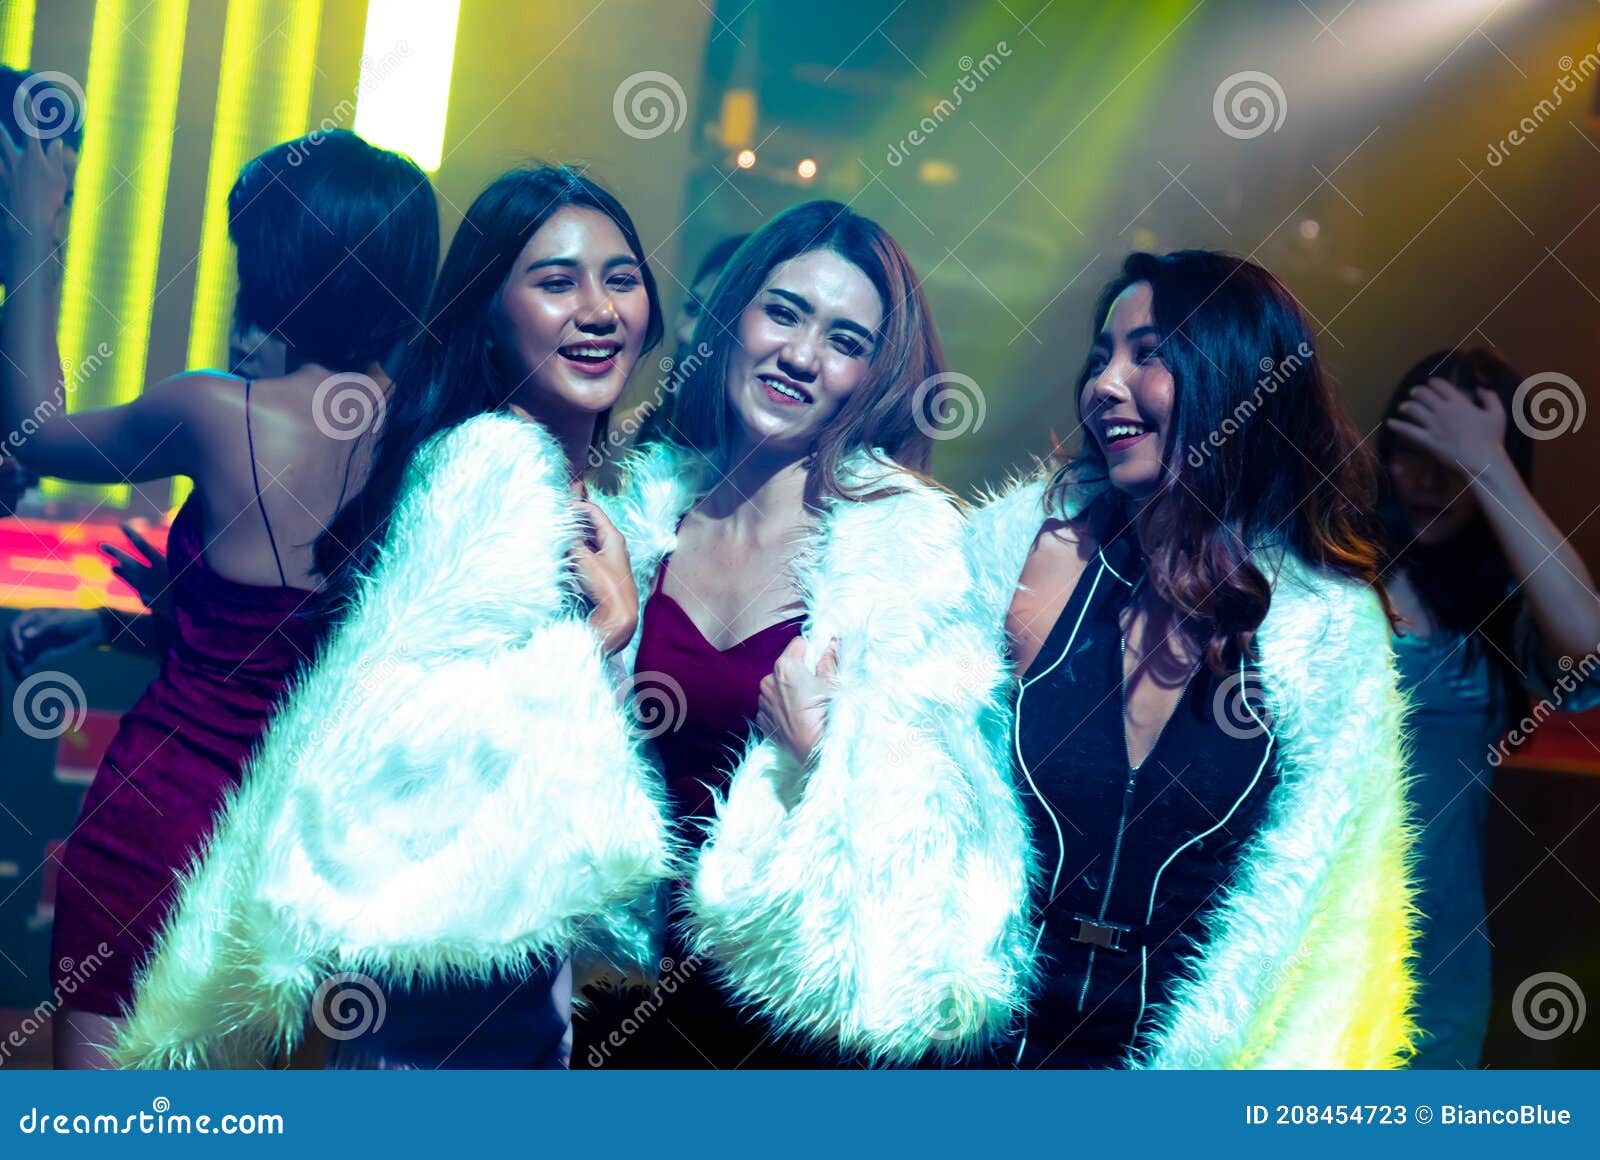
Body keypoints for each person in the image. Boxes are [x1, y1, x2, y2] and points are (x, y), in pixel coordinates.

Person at [113, 165, 675, 1070]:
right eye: (555, 281)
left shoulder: (586, 490)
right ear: (488, 314)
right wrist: (600, 635)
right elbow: (409, 737)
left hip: (517, 994)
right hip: (440, 999)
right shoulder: (489, 470)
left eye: (620, 277)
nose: (599, 309)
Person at [0, 127, 439, 1067]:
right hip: (286, 856)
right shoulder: (422, 445)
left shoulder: (219, 411)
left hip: (157, 818)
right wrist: (113, 620)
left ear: (283, 264)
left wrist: (31, 231)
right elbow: (287, 646)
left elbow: (33, 433)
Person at [584, 200, 1031, 1068]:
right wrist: (601, 637)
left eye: (845, 340)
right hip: (618, 1003)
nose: (799, 355)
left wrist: (827, 750)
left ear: (875, 376)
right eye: (783, 312)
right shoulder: (640, 521)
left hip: (786, 1028)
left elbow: (947, 853)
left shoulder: (908, 556)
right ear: (736, 317)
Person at [965, 249, 1417, 1068]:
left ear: (1238, 382)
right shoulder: (1040, 555)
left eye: (1149, 354)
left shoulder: (1324, 633)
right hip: (974, 1062)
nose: (1105, 384)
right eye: (1101, 357)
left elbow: (1337, 918)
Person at [1379, 348, 1600, 1069]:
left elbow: (1589, 644)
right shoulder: (1322, 576)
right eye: (1413, 451)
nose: (1429, 479)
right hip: (1297, 963)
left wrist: (1487, 461)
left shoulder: (1501, 612)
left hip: (1431, 982)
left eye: (1456, 460)